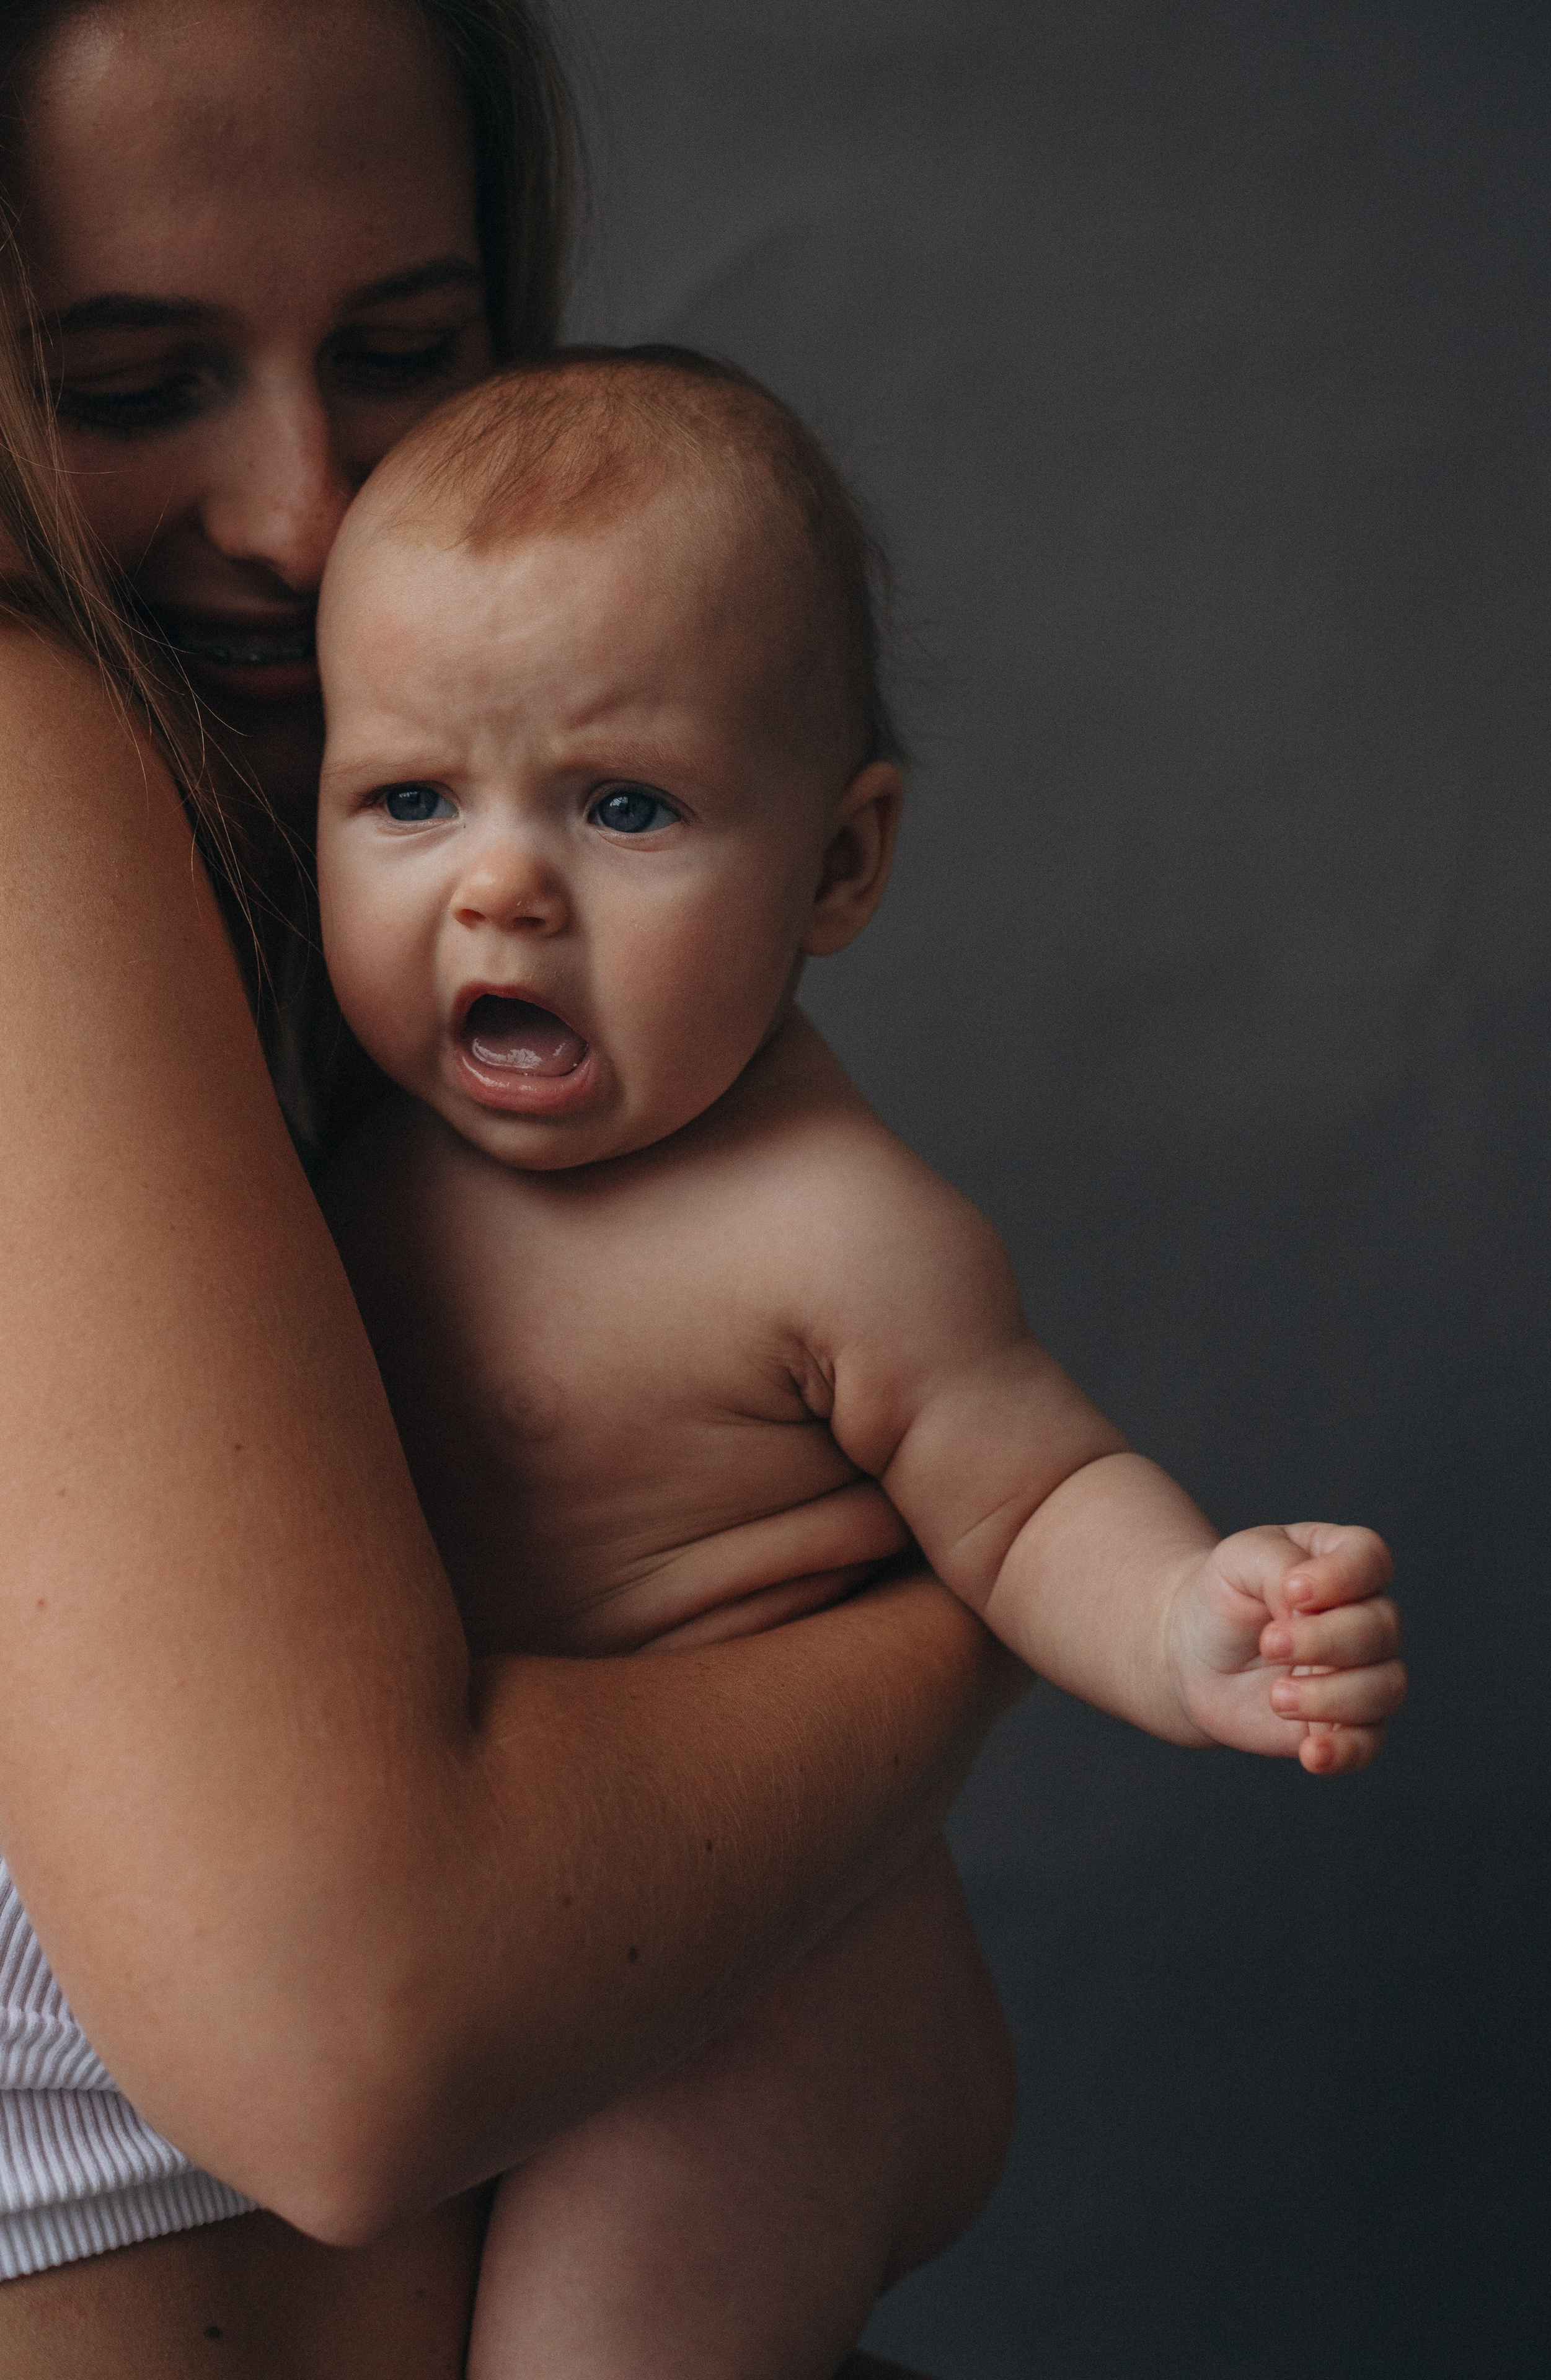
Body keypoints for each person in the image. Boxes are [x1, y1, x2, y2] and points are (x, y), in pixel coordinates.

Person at [0, 6, 1019, 2373]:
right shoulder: (20, 761)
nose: (303, 515)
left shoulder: (347, 914)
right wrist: (996, 1578)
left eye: (403, 355)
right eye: (134, 387)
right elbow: (345, 2033)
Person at [312, 348, 1407, 2379]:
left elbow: (1032, 1495)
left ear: (838, 864)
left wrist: (1188, 1618)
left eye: (624, 806)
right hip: (527, 1939)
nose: (499, 885)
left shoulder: (833, 1229)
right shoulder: (335, 1132)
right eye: (409, 798)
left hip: (777, 1999)